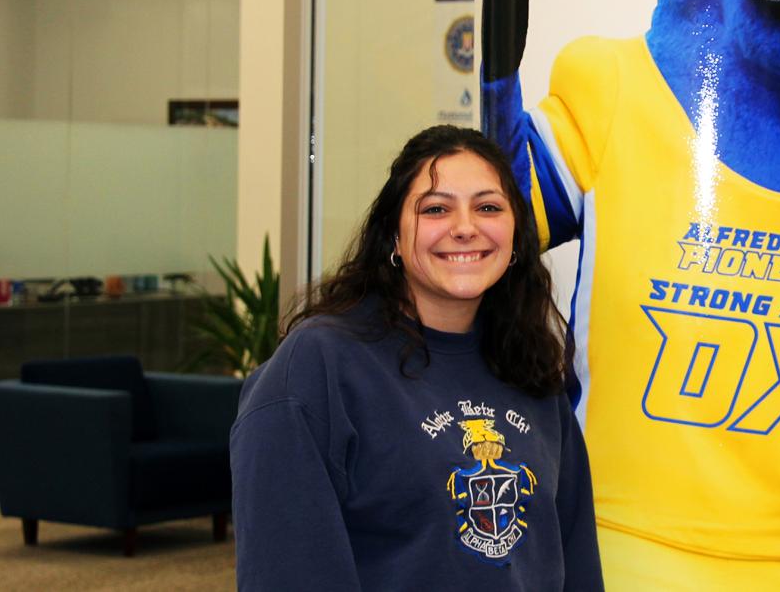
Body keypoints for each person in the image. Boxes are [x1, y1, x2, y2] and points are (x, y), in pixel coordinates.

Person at [231, 125, 603, 591]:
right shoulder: (319, 367)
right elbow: (286, 572)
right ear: (394, 236)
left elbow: (575, 565)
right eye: (436, 209)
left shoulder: (531, 371)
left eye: (488, 207)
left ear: (514, 238)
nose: (465, 227)